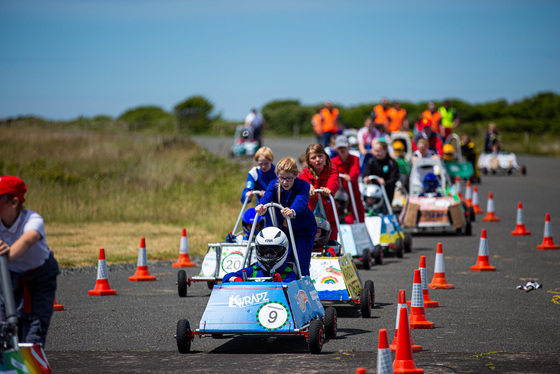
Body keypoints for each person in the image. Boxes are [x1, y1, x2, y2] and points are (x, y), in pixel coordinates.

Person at [0, 176, 60, 347]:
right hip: (8, 277)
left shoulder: (32, 219)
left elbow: (28, 240)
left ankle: (31, 365)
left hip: (40, 278)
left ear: (14, 202)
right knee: (6, 328)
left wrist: (8, 253)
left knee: (35, 330)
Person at [256, 157, 317, 277]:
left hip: (304, 230)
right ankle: (284, 289)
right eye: (282, 178)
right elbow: (267, 197)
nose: (285, 182)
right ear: (277, 176)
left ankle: (304, 287)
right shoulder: (273, 185)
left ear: (295, 176)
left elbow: (301, 200)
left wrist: (292, 211)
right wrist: (261, 206)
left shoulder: (304, 185)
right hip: (284, 231)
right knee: (283, 262)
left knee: (301, 263)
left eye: (289, 178)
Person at [222, 227, 297, 283]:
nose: (268, 255)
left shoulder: (288, 273)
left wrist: (281, 284)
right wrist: (236, 279)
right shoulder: (253, 270)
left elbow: (292, 292)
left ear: (283, 250)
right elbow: (226, 277)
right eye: (264, 250)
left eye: (274, 251)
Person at [299, 144, 340, 243]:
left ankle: (332, 251)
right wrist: (309, 187)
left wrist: (328, 189)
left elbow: (334, 182)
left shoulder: (332, 172)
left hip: (328, 214)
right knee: (310, 238)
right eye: (314, 157)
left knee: (331, 239)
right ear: (308, 161)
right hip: (311, 214)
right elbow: (303, 182)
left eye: (320, 156)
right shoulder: (304, 174)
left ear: (325, 157)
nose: (318, 159)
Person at [331, 136, 365, 223]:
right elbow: (333, 173)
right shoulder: (333, 161)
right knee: (337, 211)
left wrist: (349, 177)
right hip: (339, 193)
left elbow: (355, 171)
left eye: (344, 147)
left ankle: (360, 226)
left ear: (348, 147)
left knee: (357, 210)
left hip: (352, 191)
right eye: (339, 148)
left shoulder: (355, 158)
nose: (342, 150)